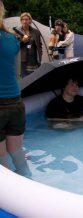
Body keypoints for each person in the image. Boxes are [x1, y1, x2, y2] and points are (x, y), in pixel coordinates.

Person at [0, 0, 30, 176]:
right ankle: (30, 185)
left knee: (2, 160)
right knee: (17, 153)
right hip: (16, 103)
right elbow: (18, 73)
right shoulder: (12, 39)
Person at [18, 12, 42, 78]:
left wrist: (40, 55)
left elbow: (40, 45)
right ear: (21, 21)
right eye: (23, 19)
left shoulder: (36, 31)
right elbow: (15, 46)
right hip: (24, 59)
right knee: (25, 79)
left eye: (26, 19)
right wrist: (23, 41)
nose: (25, 21)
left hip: (34, 59)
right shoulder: (17, 32)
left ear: (30, 20)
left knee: (35, 78)